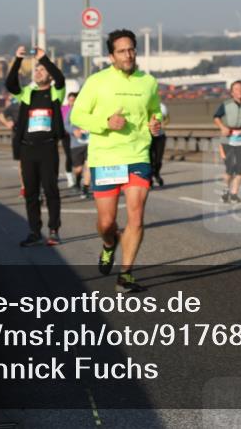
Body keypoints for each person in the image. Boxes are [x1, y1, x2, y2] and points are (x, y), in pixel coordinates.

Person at [70, 29, 162, 293]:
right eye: (122, 51)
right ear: (111, 55)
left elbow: (155, 110)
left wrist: (156, 124)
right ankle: (109, 244)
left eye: (131, 49)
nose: (128, 54)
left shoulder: (148, 82)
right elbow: (78, 115)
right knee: (107, 223)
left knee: (136, 216)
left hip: (137, 156)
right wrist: (106, 122)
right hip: (106, 158)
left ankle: (126, 275)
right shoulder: (97, 82)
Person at [5, 46, 67, 247]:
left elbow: (60, 78)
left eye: (42, 70)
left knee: (51, 190)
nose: (38, 72)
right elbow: (10, 83)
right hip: (28, 149)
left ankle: (54, 230)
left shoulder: (56, 92)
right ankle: (34, 231)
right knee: (30, 192)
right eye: (36, 70)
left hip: (48, 148)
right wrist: (17, 59)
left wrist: (44, 58)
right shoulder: (27, 94)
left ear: (48, 75)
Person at [213, 81, 241, 203]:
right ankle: (225, 190)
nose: (239, 91)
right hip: (228, 138)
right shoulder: (226, 104)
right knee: (230, 168)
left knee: (240, 168)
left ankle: (234, 194)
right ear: (232, 92)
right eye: (236, 89)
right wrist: (222, 127)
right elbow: (216, 117)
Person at [63, 92, 91, 199]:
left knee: (89, 165)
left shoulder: (92, 108)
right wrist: (74, 130)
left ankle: (85, 189)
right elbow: (66, 124)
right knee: (78, 169)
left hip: (90, 142)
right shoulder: (73, 110)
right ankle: (78, 181)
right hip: (76, 143)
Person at [0, 95, 24, 197]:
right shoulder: (14, 106)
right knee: (22, 163)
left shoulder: (32, 105)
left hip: (32, 137)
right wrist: (7, 123)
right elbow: (0, 116)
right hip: (18, 137)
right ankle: (23, 187)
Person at [149, 101, 169, 187]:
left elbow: (167, 118)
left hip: (160, 136)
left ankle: (156, 174)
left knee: (158, 159)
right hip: (148, 136)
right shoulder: (144, 104)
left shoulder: (162, 106)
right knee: (149, 159)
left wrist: (163, 124)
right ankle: (149, 177)